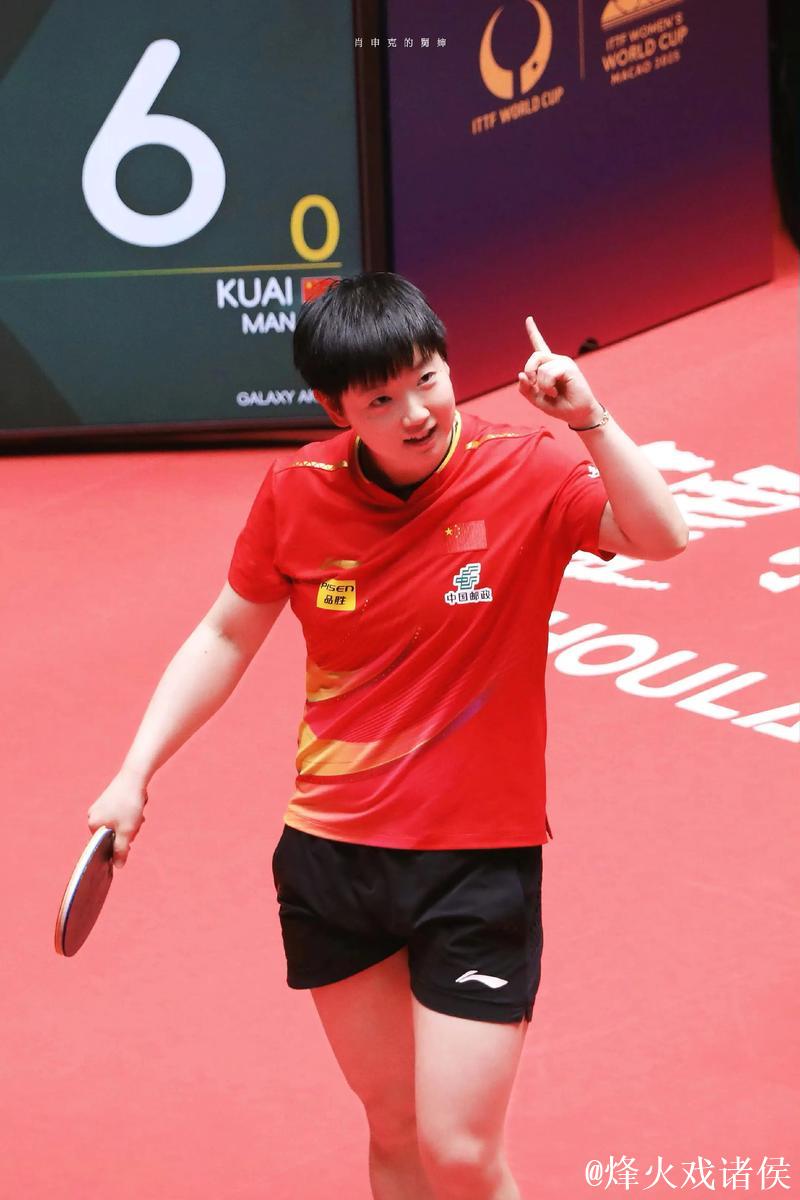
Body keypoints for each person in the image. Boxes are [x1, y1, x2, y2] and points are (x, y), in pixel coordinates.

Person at [87, 272, 688, 1200]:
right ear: (337, 410)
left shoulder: (523, 467)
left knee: (460, 1151)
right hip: (333, 857)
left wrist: (592, 422)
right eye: (381, 400)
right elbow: (225, 636)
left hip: (474, 863)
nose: (416, 413)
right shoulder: (297, 490)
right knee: (396, 1130)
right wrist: (136, 771)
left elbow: (662, 535)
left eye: (428, 379)